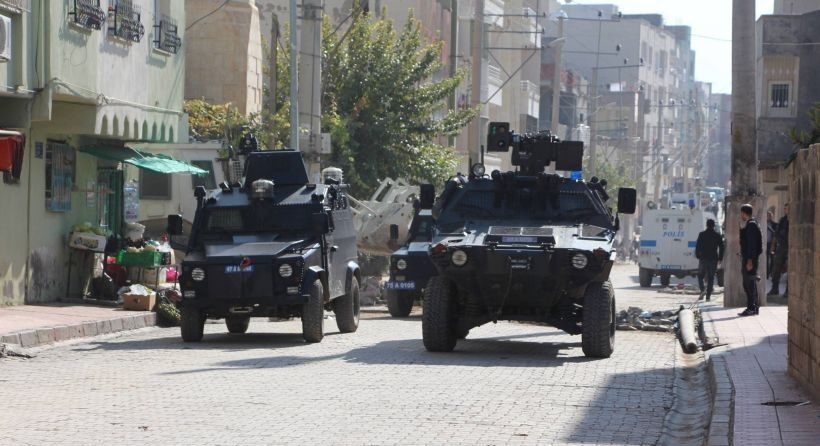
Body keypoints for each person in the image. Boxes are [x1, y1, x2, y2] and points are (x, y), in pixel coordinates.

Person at [739, 203, 763, 316]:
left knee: (749, 284)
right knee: (749, 284)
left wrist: (749, 261)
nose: (741, 215)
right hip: (750, 258)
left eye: (741, 213)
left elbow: (752, 245)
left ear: (744, 213)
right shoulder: (751, 224)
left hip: (750, 260)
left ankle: (751, 308)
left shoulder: (752, 225)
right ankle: (753, 307)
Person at [695, 218, 724, 301]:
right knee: (711, 277)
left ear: (706, 225)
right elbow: (722, 247)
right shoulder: (717, 235)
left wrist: (698, 255)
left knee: (700, 275)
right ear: (714, 226)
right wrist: (720, 258)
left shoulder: (702, 234)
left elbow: (698, 246)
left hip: (703, 258)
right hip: (713, 258)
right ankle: (708, 296)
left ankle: (702, 289)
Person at [768, 203, 789, 297]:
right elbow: (776, 234)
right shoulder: (783, 220)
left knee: (790, 269)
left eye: (787, 208)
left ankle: (788, 291)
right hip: (781, 247)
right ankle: (774, 288)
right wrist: (773, 246)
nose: (786, 210)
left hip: (790, 247)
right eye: (785, 208)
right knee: (776, 268)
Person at [766, 210, 777, 277]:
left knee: (772, 258)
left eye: (769, 216)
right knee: (766, 259)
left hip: (772, 244)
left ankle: (771, 273)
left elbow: (776, 233)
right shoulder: (763, 223)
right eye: (767, 215)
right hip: (765, 244)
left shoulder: (774, 224)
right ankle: (767, 273)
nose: (768, 217)